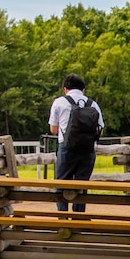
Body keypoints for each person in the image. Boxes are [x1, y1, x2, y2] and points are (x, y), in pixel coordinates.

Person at [49, 73, 105, 212]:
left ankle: (63, 218)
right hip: (87, 149)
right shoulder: (93, 104)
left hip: (66, 148)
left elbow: (53, 129)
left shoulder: (59, 102)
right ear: (83, 89)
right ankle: (79, 218)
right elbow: (100, 130)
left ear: (65, 89)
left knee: (61, 184)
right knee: (81, 186)